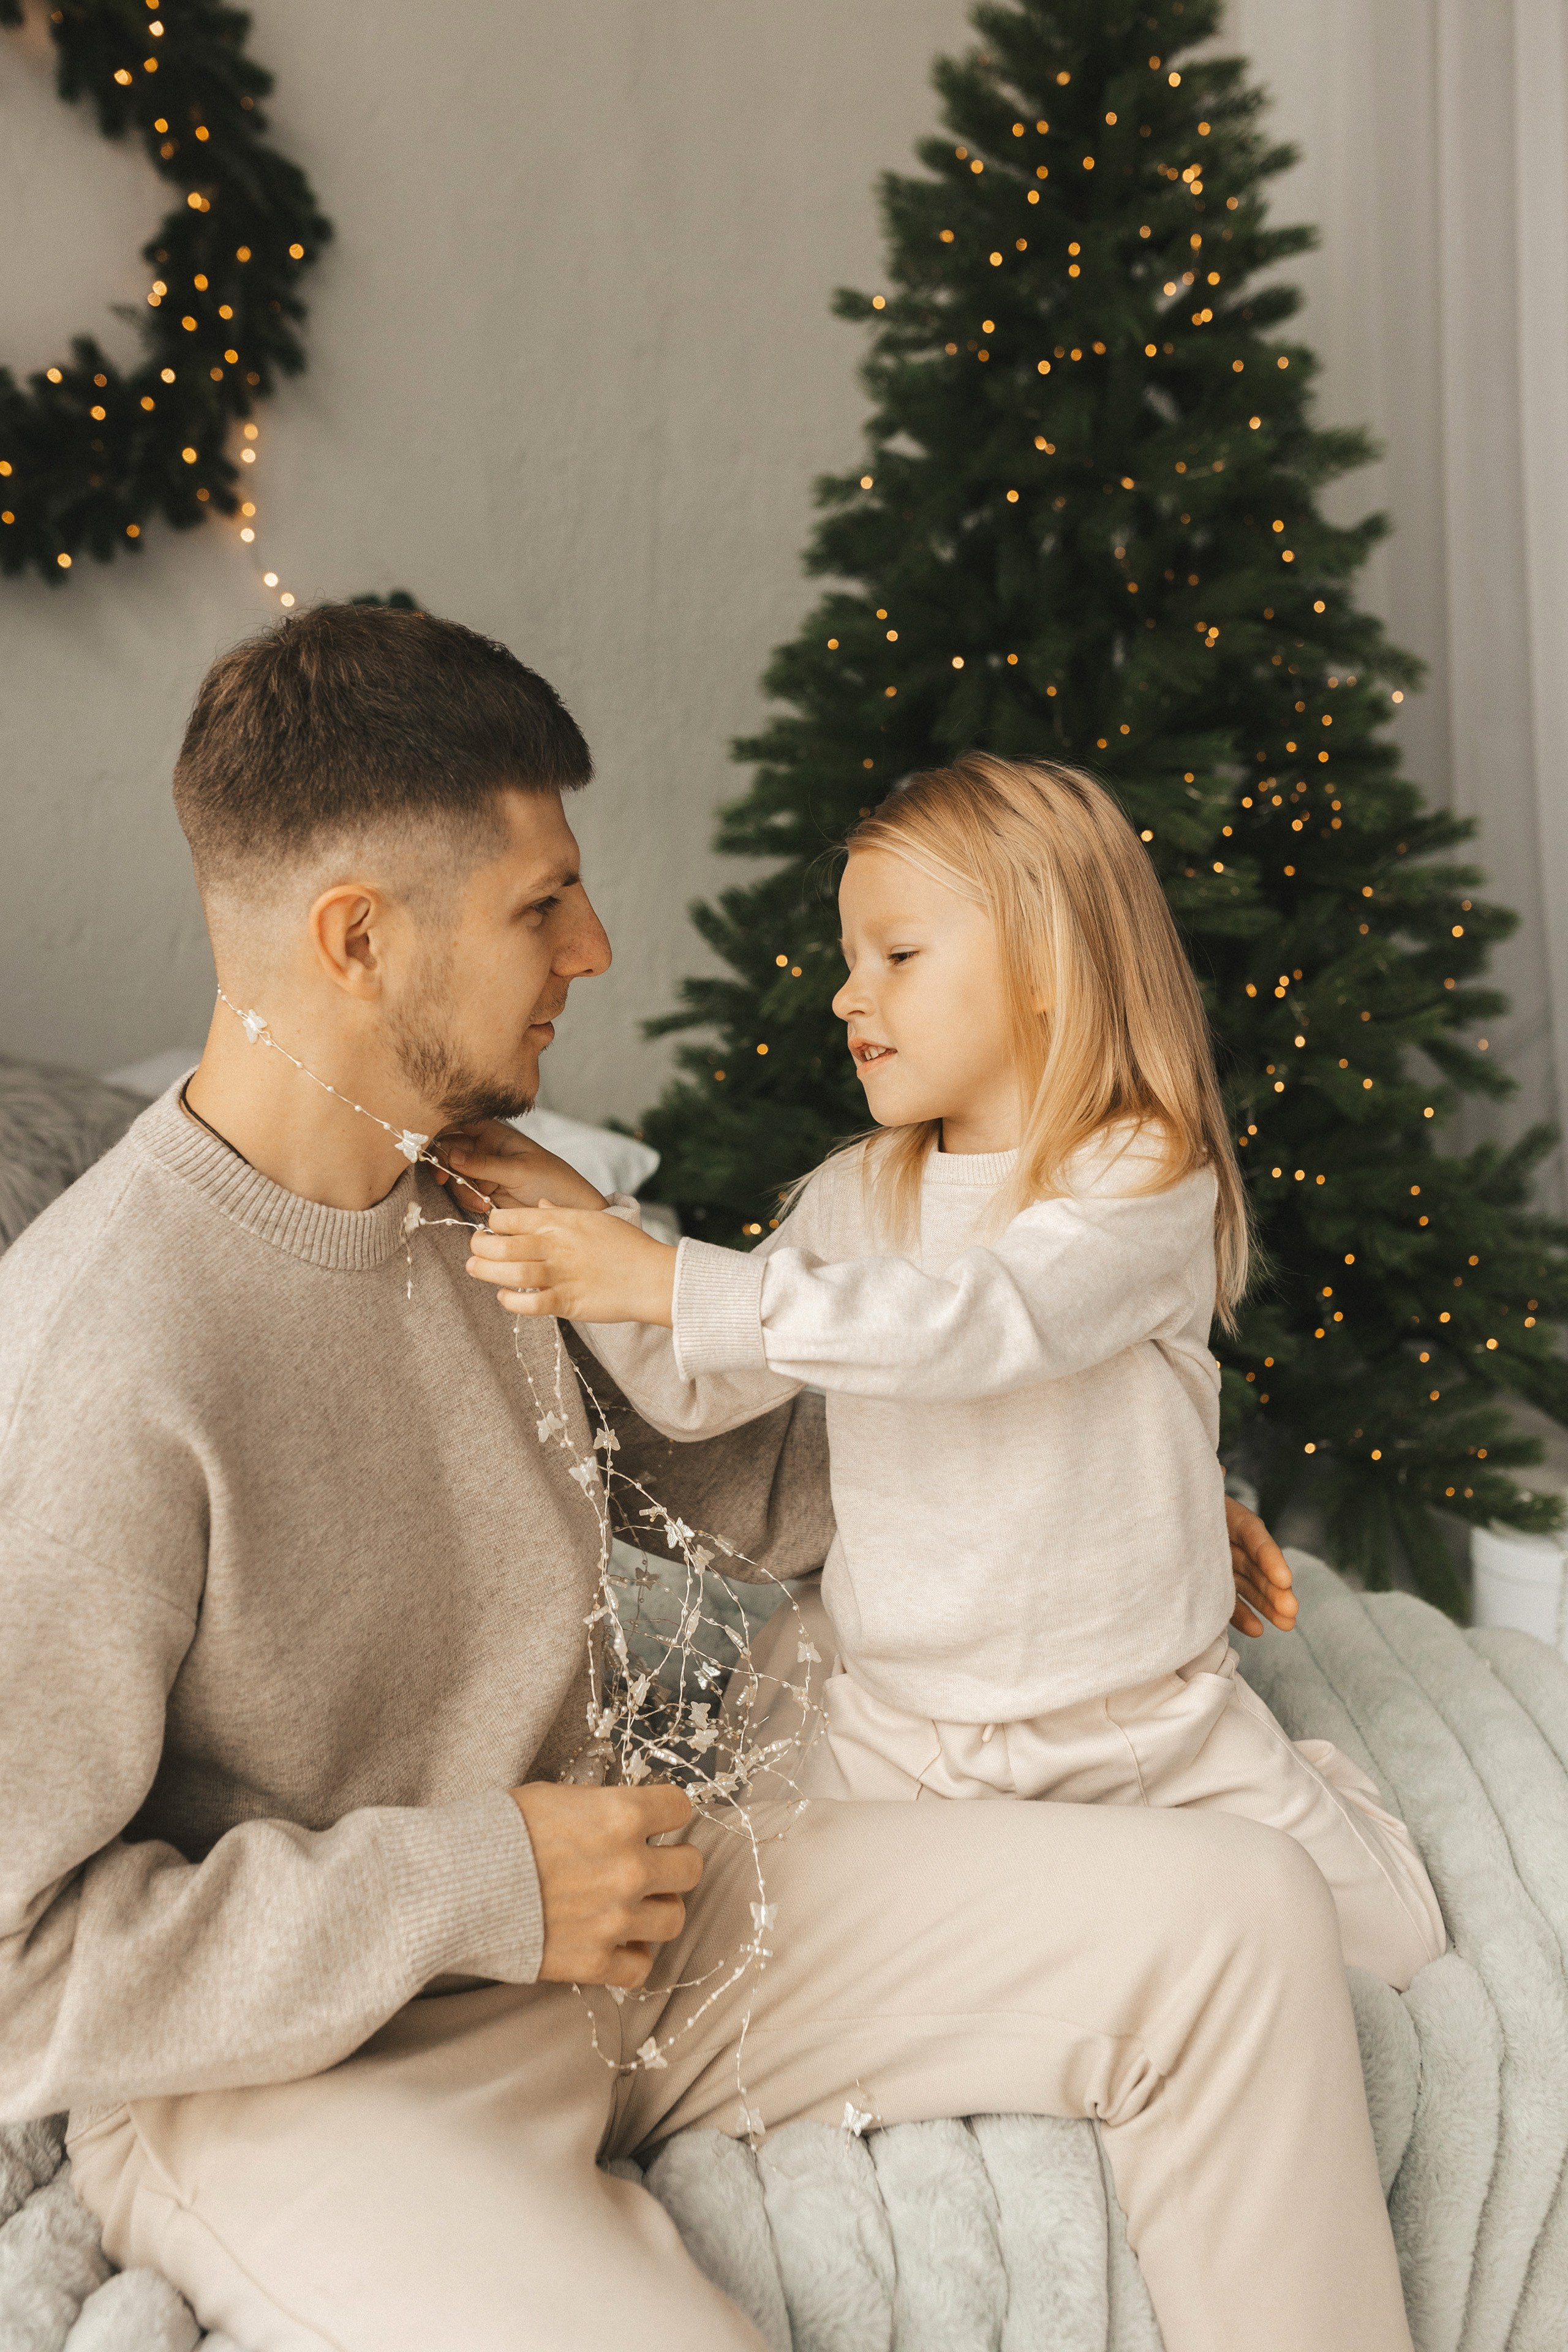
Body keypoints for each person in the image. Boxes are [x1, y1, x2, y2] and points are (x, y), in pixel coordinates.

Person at [0, 607, 1415, 2352]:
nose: (595, 946)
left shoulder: (473, 1195)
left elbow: (764, 1464)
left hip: (643, 1905)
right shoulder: (91, 1358)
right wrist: (483, 1883)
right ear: (357, 939)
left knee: (1241, 1919)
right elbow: (13, 1964)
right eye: (541, 906)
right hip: (302, 2069)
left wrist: (1096, 1481)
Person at [462, 753, 1446, 1995]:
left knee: (1386, 1949)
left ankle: (1266, 1816)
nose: (845, 996)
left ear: (1047, 966)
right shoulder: (855, 1192)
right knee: (754, 1959)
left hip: (1136, 1725)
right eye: (847, 959)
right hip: (905, 1726)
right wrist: (586, 1223)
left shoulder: (1138, 1172)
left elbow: (971, 1328)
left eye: (896, 956)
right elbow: (699, 1387)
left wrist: (664, 1279)